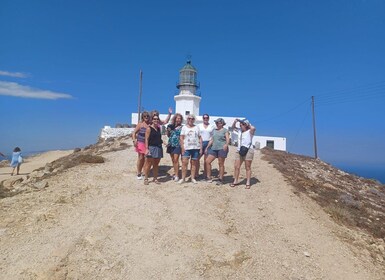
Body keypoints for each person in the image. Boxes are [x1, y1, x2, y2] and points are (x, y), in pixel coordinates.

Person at [230, 118, 256, 189]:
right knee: (236, 166)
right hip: (239, 150)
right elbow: (232, 128)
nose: (241, 125)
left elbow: (253, 128)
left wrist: (247, 123)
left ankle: (248, 182)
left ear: (246, 125)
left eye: (242, 124)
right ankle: (235, 180)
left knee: (247, 167)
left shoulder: (250, 131)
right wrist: (235, 121)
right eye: (240, 124)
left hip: (248, 150)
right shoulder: (239, 131)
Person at [205, 118, 230, 185]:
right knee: (207, 161)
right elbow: (212, 139)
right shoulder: (214, 130)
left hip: (222, 148)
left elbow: (227, 139)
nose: (217, 124)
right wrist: (207, 147)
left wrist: (226, 145)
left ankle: (220, 179)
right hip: (214, 148)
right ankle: (208, 177)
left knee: (220, 163)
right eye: (216, 123)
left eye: (218, 122)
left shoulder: (225, 130)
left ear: (222, 123)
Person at [179, 114, 202, 184]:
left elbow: (200, 137)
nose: (190, 120)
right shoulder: (184, 128)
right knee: (184, 163)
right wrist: (182, 147)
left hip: (195, 148)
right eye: (189, 118)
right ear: (187, 119)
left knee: (194, 163)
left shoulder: (197, 127)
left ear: (194, 120)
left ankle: (192, 178)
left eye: (192, 119)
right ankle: (183, 178)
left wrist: (201, 148)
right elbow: (181, 138)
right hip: (186, 148)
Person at [143, 114, 163, 185]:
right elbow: (146, 139)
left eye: (157, 119)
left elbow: (159, 138)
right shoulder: (149, 128)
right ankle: (146, 178)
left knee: (156, 164)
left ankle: (155, 178)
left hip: (158, 147)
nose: (156, 120)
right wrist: (146, 149)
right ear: (152, 120)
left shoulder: (158, 128)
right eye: (154, 119)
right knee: (148, 164)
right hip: (151, 147)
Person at [132, 111, 151, 179]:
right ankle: (138, 172)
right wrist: (134, 140)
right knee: (141, 158)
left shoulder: (150, 124)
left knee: (146, 159)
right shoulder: (140, 124)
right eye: (144, 116)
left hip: (148, 143)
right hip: (140, 143)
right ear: (142, 117)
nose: (146, 117)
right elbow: (134, 133)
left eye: (147, 116)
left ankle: (144, 172)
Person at [166, 113, 184, 181]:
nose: (178, 119)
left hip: (177, 145)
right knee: (173, 160)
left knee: (176, 159)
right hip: (170, 144)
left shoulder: (182, 127)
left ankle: (177, 175)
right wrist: (168, 130)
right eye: (177, 118)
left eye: (180, 118)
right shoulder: (170, 126)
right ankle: (175, 172)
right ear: (175, 118)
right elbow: (168, 135)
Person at [197, 113, 214, 179]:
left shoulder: (212, 126)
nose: (205, 119)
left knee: (206, 160)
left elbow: (212, 136)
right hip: (200, 143)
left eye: (207, 118)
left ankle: (205, 174)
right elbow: (198, 135)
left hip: (208, 143)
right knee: (197, 158)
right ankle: (196, 173)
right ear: (202, 118)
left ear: (208, 118)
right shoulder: (199, 125)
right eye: (204, 118)